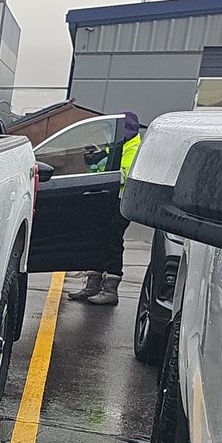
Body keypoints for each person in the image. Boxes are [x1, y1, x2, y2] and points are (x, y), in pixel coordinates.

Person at [66, 110, 142, 305]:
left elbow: (124, 176)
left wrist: (101, 160)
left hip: (120, 203)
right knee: (97, 239)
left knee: (112, 242)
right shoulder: (117, 146)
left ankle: (110, 289)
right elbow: (100, 173)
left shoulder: (135, 148)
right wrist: (92, 162)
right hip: (106, 201)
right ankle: (92, 285)